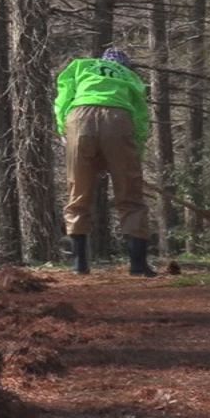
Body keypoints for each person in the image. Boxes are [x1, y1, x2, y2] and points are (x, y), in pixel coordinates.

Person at [54, 48, 156, 277]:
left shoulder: (81, 66)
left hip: (79, 116)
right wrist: (134, 153)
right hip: (118, 119)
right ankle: (138, 264)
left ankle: (79, 264)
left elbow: (63, 95)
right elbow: (140, 117)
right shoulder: (130, 77)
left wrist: (63, 128)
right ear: (124, 65)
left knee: (77, 191)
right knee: (130, 195)